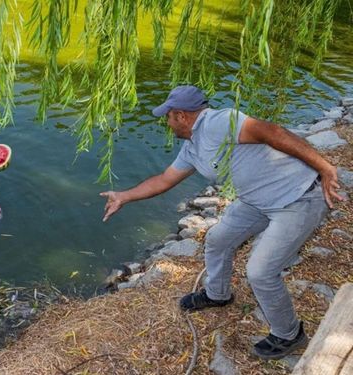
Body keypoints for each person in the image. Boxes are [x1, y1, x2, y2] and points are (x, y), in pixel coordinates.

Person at [100, 85, 343, 360]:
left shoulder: (218, 122)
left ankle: (289, 334)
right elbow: (165, 180)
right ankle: (218, 295)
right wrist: (124, 196)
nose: (166, 122)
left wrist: (324, 168)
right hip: (257, 201)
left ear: (181, 115)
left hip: (298, 199)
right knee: (218, 240)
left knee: (260, 271)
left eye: (167, 116)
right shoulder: (192, 146)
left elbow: (274, 132)